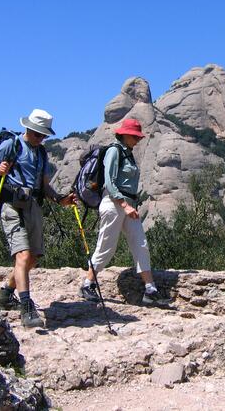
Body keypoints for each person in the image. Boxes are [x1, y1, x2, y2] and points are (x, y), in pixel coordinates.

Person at [0, 108, 76, 328]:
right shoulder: (11, 145)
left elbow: (44, 186)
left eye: (43, 135)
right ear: (28, 128)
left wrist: (60, 200)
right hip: (11, 205)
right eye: (37, 134)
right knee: (22, 256)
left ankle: (6, 294)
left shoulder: (42, 153)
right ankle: (26, 309)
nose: (40, 138)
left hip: (33, 205)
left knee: (33, 257)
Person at [79, 118, 170, 307]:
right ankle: (87, 284)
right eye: (135, 136)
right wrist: (124, 205)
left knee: (141, 244)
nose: (138, 140)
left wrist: (129, 205)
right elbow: (110, 182)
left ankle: (150, 289)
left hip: (127, 205)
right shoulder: (114, 151)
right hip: (114, 204)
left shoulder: (128, 153)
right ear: (125, 134)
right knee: (107, 246)